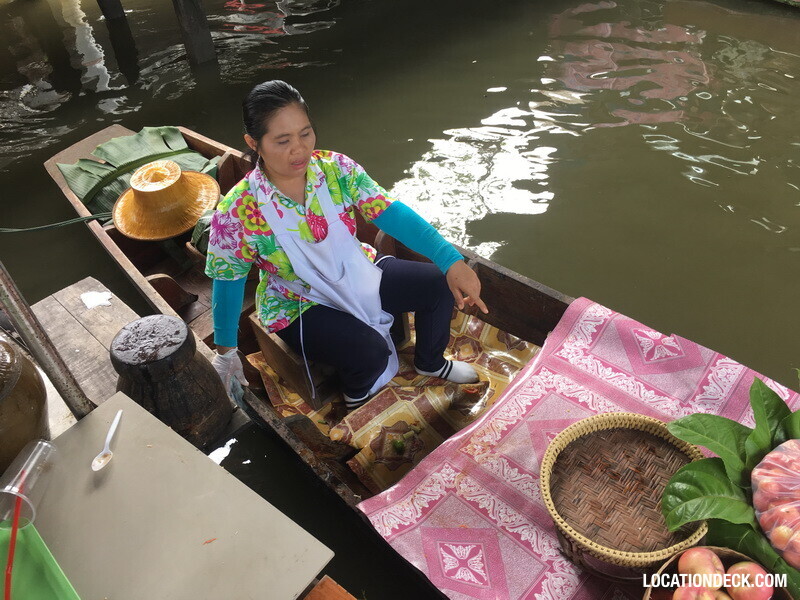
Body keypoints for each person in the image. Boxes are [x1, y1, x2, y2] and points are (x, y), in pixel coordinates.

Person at [207, 80, 488, 410]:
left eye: (305, 133)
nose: (299, 149)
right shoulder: (236, 212)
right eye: (282, 140)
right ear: (254, 143)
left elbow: (390, 213)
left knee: (438, 286)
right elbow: (228, 279)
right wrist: (226, 349)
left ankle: (430, 362)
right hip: (298, 300)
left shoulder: (335, 169)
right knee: (369, 353)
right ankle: (358, 394)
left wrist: (450, 260)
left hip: (357, 269)